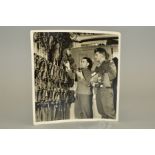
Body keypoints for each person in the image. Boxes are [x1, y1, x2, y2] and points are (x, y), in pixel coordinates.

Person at [90, 47, 116, 119]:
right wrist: (94, 78)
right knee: (102, 112)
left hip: (106, 90)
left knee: (109, 113)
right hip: (98, 90)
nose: (95, 57)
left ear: (102, 55)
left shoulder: (109, 62)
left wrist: (101, 76)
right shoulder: (97, 66)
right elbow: (93, 77)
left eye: (96, 55)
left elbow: (113, 74)